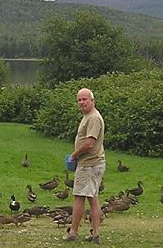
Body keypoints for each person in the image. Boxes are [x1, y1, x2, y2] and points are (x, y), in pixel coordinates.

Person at [63, 88, 105, 244]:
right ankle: (95, 234)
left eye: (84, 99)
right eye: (79, 100)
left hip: (89, 164)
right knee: (93, 198)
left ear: (92, 100)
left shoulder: (94, 118)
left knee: (79, 197)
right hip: (94, 163)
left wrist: (74, 155)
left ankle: (73, 232)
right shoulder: (88, 116)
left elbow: (89, 143)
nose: (81, 102)